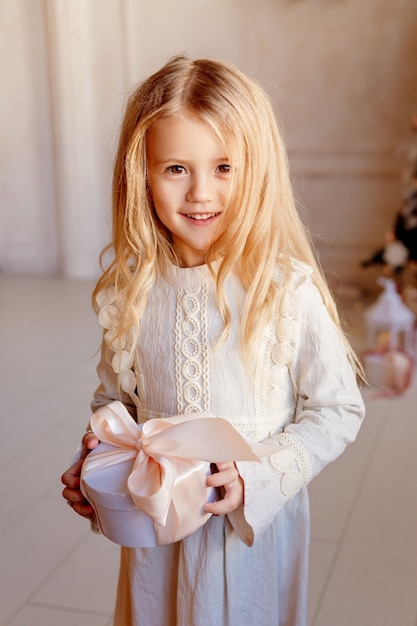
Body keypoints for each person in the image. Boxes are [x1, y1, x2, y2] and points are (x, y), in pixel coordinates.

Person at [61, 55, 365, 626]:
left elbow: (337, 408)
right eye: (176, 168)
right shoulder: (132, 293)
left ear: (258, 170)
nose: (201, 193)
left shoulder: (286, 289)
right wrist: (96, 458)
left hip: (250, 535)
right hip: (157, 527)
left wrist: (261, 473)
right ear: (141, 174)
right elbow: (115, 404)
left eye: (224, 167)